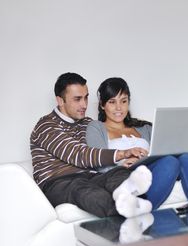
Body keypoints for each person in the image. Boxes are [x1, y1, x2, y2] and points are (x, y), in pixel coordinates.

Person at [30, 72, 154, 218]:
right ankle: (129, 215)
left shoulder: (87, 123)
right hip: (57, 182)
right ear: (60, 100)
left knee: (118, 173)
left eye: (86, 97)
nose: (84, 104)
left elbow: (101, 148)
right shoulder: (46, 125)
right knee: (85, 190)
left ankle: (133, 200)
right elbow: (79, 154)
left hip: (89, 176)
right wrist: (122, 153)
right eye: (77, 99)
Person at [86, 77, 188, 209]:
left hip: (152, 169)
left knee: (187, 157)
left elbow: (163, 150)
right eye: (112, 102)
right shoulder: (96, 127)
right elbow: (98, 160)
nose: (119, 107)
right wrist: (122, 164)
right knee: (170, 161)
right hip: (124, 174)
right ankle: (137, 209)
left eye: (123, 101)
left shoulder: (144, 127)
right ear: (102, 104)